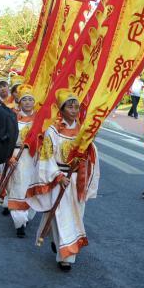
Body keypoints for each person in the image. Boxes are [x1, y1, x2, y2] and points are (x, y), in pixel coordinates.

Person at [31, 91, 99, 270]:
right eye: (70, 106)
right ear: (61, 109)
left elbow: (91, 155)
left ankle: (61, 246)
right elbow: (46, 157)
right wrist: (58, 176)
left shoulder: (83, 130)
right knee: (60, 217)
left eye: (77, 106)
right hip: (59, 180)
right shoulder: (53, 131)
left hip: (77, 181)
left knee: (76, 217)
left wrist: (89, 148)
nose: (74, 110)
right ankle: (65, 257)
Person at [4, 86, 38, 238]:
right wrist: (8, 157)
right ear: (19, 101)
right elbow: (6, 139)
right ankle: (19, 223)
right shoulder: (13, 117)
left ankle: (27, 216)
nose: (28, 102)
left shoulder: (40, 120)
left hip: (33, 158)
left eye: (31, 99)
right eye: (25, 99)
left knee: (32, 188)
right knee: (17, 187)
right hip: (16, 156)